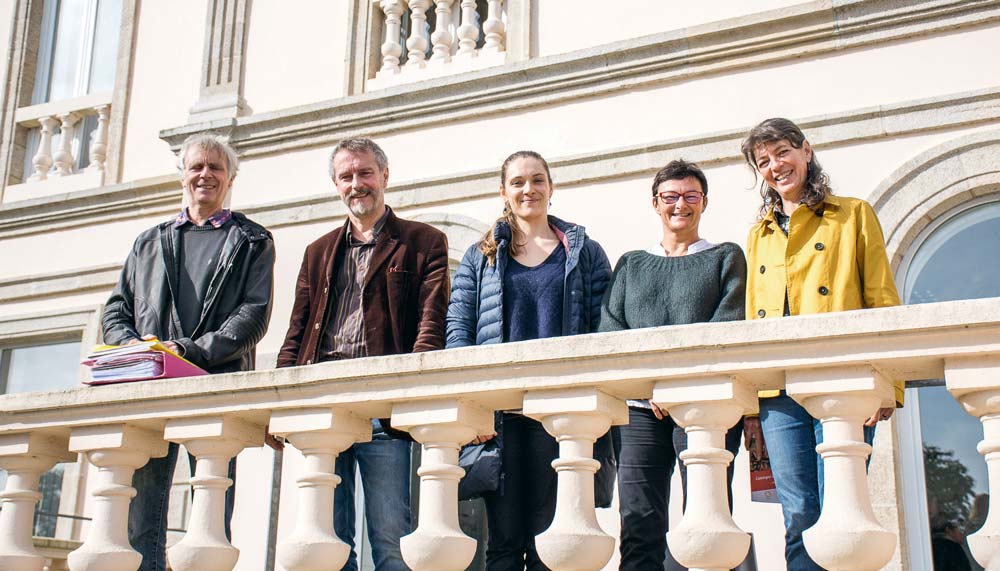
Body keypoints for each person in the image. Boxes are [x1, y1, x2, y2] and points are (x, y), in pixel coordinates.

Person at [102, 133, 275, 571]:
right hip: (149, 388)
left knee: (211, 513)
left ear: (230, 177)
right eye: (197, 166)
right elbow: (116, 310)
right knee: (141, 516)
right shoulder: (148, 242)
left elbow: (252, 316)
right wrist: (132, 347)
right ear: (183, 175)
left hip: (214, 387)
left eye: (216, 167)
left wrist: (188, 351)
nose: (206, 175)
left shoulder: (252, 240)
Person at [277, 137, 450, 571]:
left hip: (382, 407)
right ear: (336, 184)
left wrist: (414, 392)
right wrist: (278, 404)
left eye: (365, 173)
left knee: (391, 536)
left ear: (385, 176)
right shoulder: (317, 252)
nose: (357, 184)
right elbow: (297, 330)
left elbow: (431, 324)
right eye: (346, 176)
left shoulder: (423, 241)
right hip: (322, 403)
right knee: (328, 540)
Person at [740, 117, 900, 571]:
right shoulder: (760, 233)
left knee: (843, 512)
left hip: (843, 382)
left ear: (806, 151)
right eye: (763, 161)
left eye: (782, 153)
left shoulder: (853, 214)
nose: (775, 166)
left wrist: (888, 386)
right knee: (798, 514)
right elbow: (754, 317)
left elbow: (882, 301)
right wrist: (753, 399)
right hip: (779, 393)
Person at [446, 150, 612, 570]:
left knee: (552, 542)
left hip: (559, 416)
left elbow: (604, 331)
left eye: (537, 180)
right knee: (502, 541)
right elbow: (458, 335)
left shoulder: (584, 252)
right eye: (518, 182)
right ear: (503, 191)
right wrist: (472, 408)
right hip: (499, 420)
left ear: (551, 188)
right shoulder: (478, 257)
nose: (528, 189)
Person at [599, 159, 747, 571]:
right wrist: (650, 387)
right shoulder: (631, 264)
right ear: (655, 203)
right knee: (639, 520)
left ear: (704, 203)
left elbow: (727, 328)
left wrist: (677, 389)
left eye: (690, 196)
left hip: (705, 408)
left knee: (709, 518)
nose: (680, 204)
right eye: (670, 197)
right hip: (640, 412)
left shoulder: (725, 258)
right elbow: (611, 331)